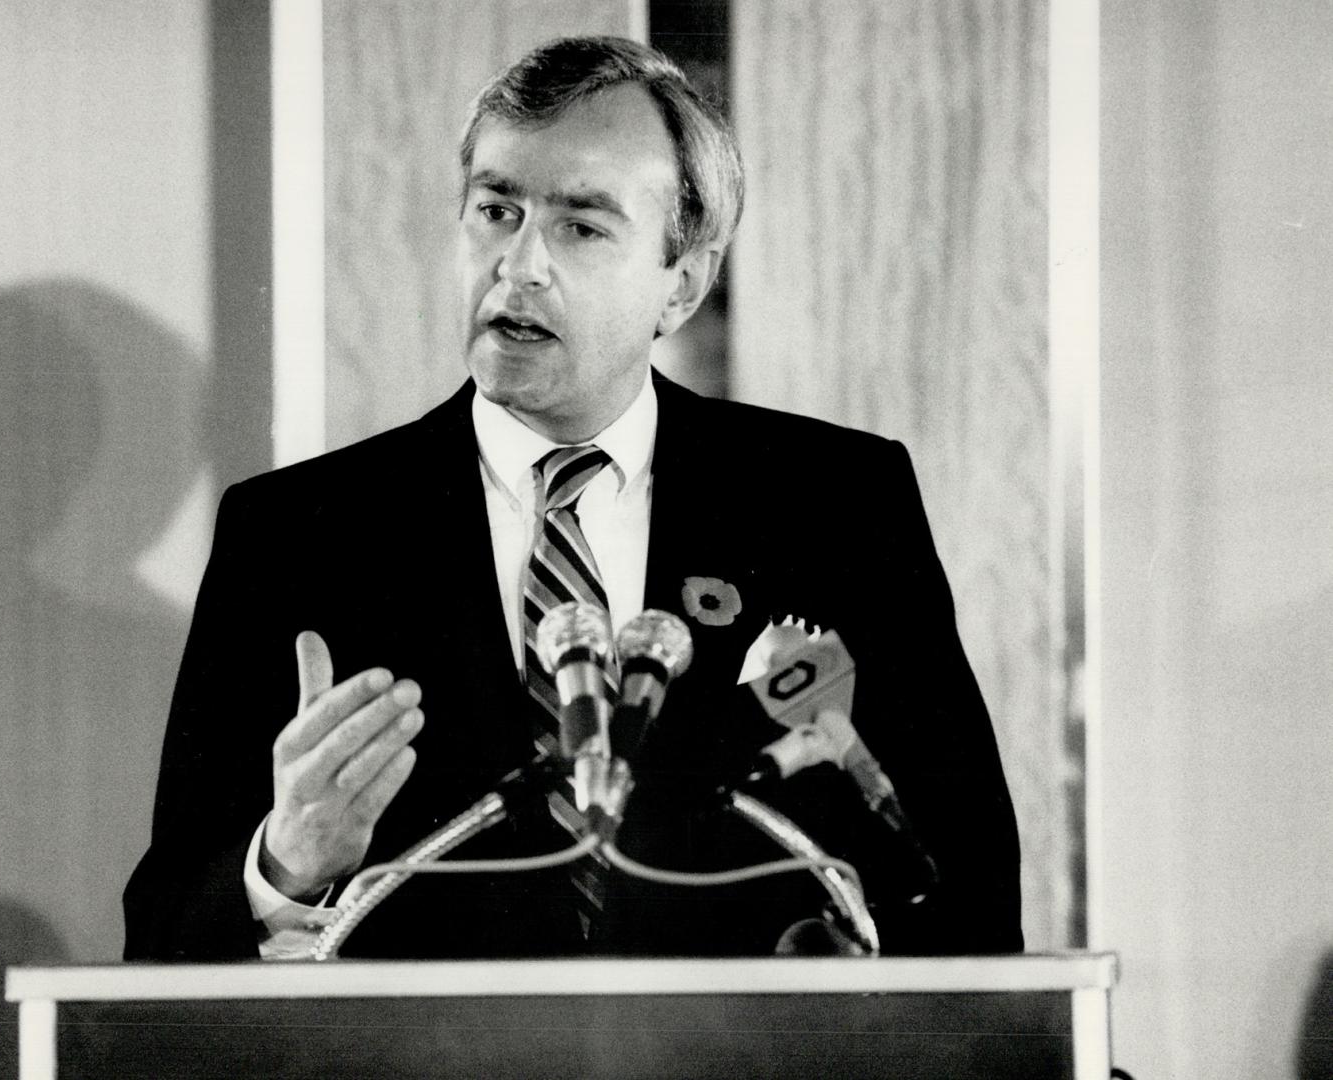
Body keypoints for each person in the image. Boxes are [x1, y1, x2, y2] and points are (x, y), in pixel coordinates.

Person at [123, 36, 1022, 962]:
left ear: (684, 282)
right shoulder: (296, 535)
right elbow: (158, 940)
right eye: (495, 209)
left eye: (581, 226)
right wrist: (284, 865)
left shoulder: (835, 507)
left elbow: (963, 881)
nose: (519, 265)